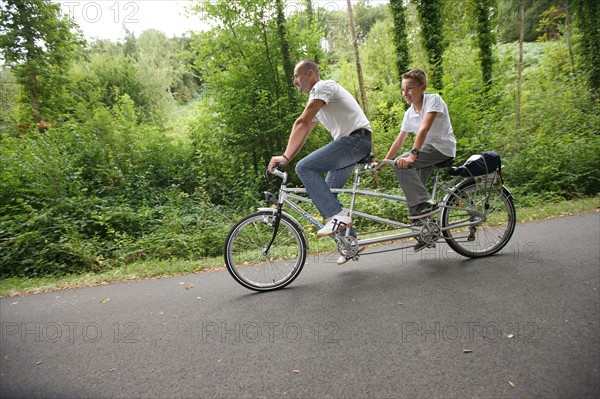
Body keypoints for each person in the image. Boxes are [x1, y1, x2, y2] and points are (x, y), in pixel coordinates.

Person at [268, 59, 372, 239]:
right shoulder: (319, 101)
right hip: (352, 144)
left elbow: (301, 122)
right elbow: (305, 131)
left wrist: (284, 157)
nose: (295, 82)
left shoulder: (323, 87)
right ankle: (350, 242)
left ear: (310, 74)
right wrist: (287, 158)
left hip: (355, 141)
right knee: (328, 194)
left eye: (296, 76)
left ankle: (340, 218)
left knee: (304, 168)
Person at [378, 69, 456, 251]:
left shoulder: (433, 100)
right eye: (403, 89)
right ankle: (426, 232)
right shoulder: (409, 113)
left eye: (410, 89)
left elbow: (424, 129)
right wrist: (384, 161)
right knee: (413, 194)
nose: (405, 93)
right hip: (425, 152)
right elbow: (400, 140)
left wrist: (412, 155)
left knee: (403, 167)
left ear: (423, 87)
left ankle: (427, 207)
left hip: (442, 148)